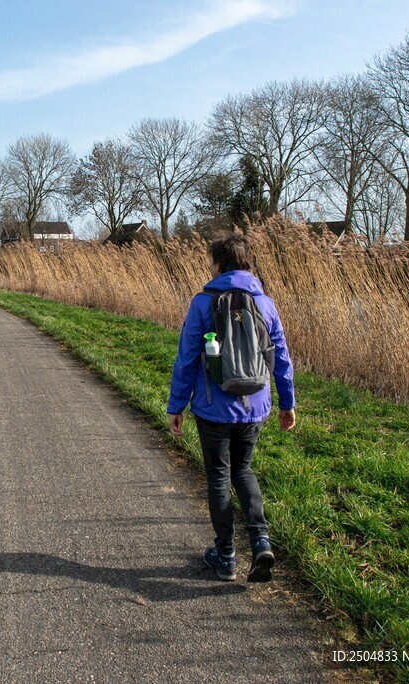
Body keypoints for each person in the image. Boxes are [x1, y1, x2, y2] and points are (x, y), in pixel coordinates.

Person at [166, 232, 296, 583]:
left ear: (218, 263)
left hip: (213, 409)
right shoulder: (265, 302)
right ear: (247, 263)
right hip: (255, 405)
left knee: (220, 478)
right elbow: (280, 356)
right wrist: (287, 402)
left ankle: (225, 556)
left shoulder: (202, 302)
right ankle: (260, 541)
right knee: (244, 470)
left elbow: (187, 359)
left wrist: (176, 406)